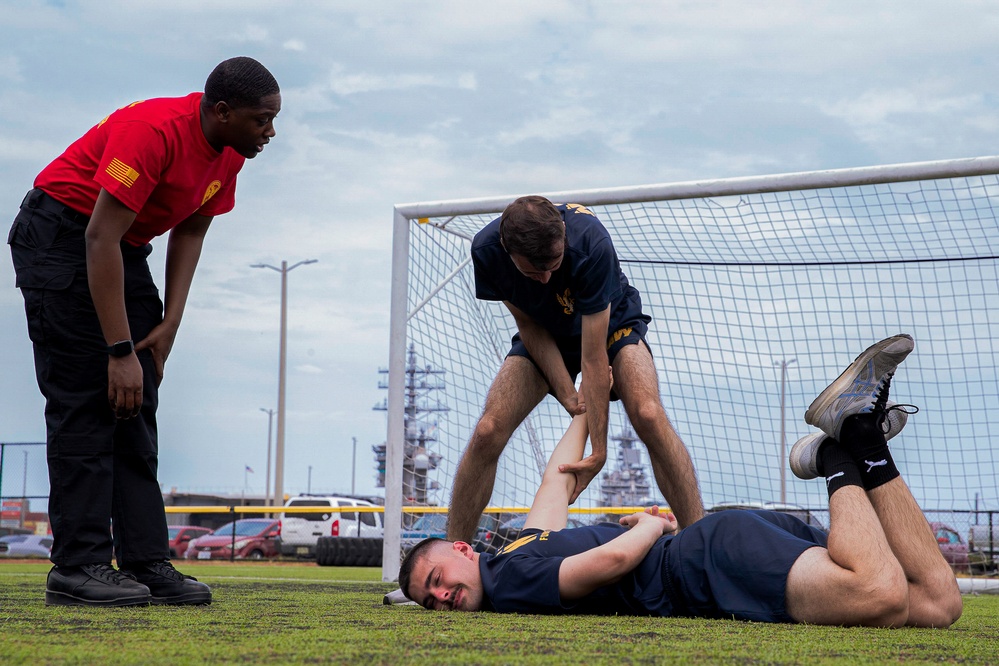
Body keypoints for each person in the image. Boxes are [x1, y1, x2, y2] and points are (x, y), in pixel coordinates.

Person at [400, 334, 963, 628]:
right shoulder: (525, 547)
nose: (441, 596)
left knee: (880, 594)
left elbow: (605, 563)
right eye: (430, 601)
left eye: (436, 579)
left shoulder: (508, 582)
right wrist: (586, 411)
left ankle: (841, 447)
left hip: (706, 565)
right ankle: (860, 441)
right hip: (721, 552)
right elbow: (557, 481)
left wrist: (647, 526)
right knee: (938, 604)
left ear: (461, 549)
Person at [8, 57, 281, 607]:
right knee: (88, 395)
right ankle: (78, 565)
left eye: (273, 120)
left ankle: (145, 559)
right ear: (222, 112)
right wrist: (117, 349)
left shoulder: (231, 153)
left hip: (125, 248)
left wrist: (170, 322)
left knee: (138, 397)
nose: (270, 133)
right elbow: (97, 238)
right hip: (63, 233)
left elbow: (192, 230)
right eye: (260, 120)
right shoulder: (150, 132)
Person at [447, 195, 703, 544]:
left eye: (553, 265)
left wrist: (598, 453)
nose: (546, 278)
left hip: (612, 326)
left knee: (648, 413)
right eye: (532, 272)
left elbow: (595, 356)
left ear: (563, 235)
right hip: (545, 328)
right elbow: (528, 324)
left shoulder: (591, 242)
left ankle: (699, 545)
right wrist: (568, 393)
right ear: (507, 250)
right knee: (488, 430)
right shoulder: (487, 251)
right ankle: (449, 553)